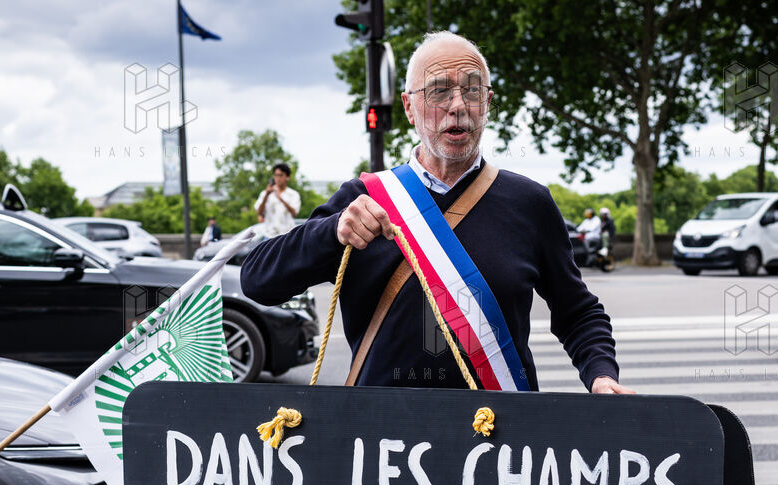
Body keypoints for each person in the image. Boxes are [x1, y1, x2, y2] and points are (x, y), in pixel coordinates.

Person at [240, 32, 629, 394]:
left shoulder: (530, 203)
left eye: (472, 90)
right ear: (409, 107)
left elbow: (578, 311)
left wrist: (602, 375)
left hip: (500, 432)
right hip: (383, 435)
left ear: (487, 103)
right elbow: (258, 281)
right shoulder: (363, 200)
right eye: (439, 91)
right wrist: (331, 231)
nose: (457, 106)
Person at [254, 163, 301, 236]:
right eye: (276, 175)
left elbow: (294, 213)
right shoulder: (265, 193)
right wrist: (267, 195)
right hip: (269, 235)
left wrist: (281, 198)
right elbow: (259, 212)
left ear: (287, 177)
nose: (278, 178)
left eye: (281, 175)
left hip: (287, 235)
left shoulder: (293, 194)